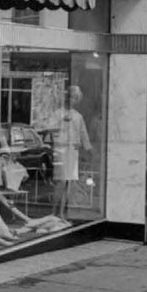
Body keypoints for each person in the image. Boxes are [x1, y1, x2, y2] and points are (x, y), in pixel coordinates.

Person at [52, 85, 92, 220]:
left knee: (68, 183)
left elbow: (83, 133)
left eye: (75, 98)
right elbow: (51, 129)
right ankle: (53, 211)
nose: (72, 100)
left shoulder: (78, 116)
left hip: (72, 151)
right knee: (61, 181)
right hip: (61, 150)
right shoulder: (58, 113)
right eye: (70, 97)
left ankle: (61, 212)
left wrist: (88, 148)